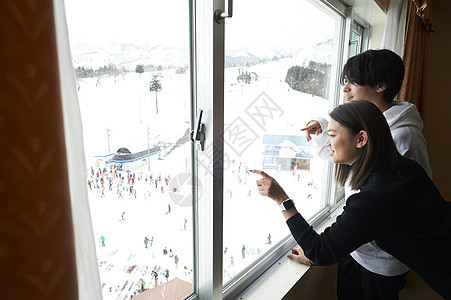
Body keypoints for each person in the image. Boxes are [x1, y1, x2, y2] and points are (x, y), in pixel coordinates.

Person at [251, 100, 451, 299]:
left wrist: (282, 199)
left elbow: (320, 250)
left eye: (332, 135)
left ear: (361, 139)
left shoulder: (374, 198)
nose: (327, 142)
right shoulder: (404, 169)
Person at [299, 49, 432, 299]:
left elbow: (412, 198)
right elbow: (349, 151)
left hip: (383, 255)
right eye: (344, 81)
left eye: (352, 82)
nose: (345, 89)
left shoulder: (404, 136)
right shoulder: (370, 123)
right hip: (358, 246)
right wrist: (325, 127)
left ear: (380, 85)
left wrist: (325, 247)